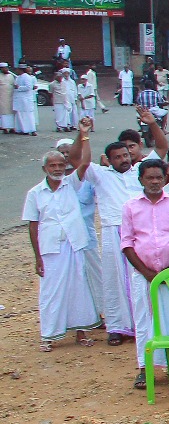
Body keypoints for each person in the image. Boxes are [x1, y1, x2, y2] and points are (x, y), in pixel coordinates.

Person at [70, 116, 162, 347]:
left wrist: (152, 124)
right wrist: (83, 135)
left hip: (140, 231)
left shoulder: (140, 172)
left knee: (139, 278)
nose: (123, 159)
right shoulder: (100, 175)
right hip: (113, 231)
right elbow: (76, 160)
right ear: (109, 160)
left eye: (125, 155)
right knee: (114, 280)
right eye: (118, 157)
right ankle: (116, 327)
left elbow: (162, 148)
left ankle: (144, 326)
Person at [120, 158, 169, 389]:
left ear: (165, 179)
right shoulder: (130, 206)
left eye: (158, 177)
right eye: (149, 178)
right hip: (143, 274)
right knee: (144, 320)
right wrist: (146, 272)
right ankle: (145, 368)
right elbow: (127, 243)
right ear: (141, 179)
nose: (154, 182)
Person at [25, 150, 100, 351]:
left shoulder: (72, 184)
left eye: (61, 165)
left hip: (74, 244)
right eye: (53, 165)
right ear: (45, 168)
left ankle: (81, 333)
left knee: (79, 287)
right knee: (51, 291)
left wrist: (83, 137)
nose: (57, 169)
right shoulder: (35, 193)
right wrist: (37, 257)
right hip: (50, 248)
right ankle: (48, 335)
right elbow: (33, 226)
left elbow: (85, 162)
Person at [13, 65, 37, 136]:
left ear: (21, 70)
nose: (16, 71)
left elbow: (29, 87)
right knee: (20, 114)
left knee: (27, 115)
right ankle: (22, 129)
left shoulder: (27, 77)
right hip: (19, 99)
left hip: (25, 99)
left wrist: (19, 87)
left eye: (17, 69)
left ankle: (31, 129)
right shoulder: (18, 77)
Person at [0, 63, 14, 133]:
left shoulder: (11, 76)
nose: (6, 69)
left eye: (7, 68)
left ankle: (12, 127)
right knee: (4, 112)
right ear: (1, 69)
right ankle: (4, 128)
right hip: (2, 97)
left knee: (12, 112)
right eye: (4, 68)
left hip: (11, 96)